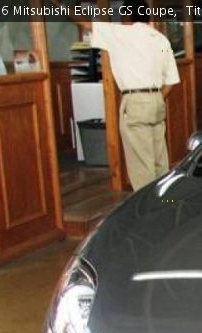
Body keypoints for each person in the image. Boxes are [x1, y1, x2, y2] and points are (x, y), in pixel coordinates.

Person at [52, 0, 180, 190]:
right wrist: (156, 98)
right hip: (157, 101)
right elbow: (171, 81)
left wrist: (61, 5)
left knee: (141, 166)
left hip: (135, 102)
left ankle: (145, 212)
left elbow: (86, 22)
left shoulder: (120, 34)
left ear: (127, 16)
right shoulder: (161, 40)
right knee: (159, 161)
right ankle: (166, 202)